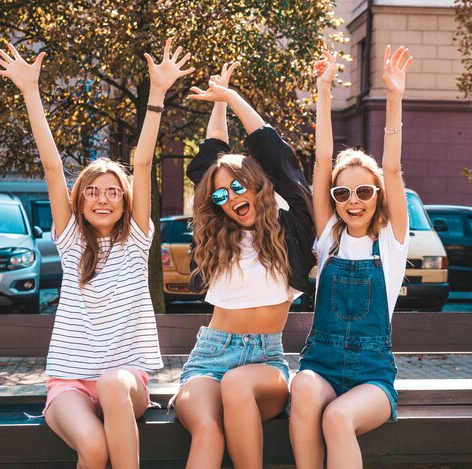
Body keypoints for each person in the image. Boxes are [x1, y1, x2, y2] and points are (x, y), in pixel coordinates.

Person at [0, 39, 194, 469]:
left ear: (124, 201)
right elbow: (50, 166)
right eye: (93, 192)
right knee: (95, 449)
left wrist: (156, 93)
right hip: (70, 386)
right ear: (80, 199)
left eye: (112, 192)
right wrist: (30, 90)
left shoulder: (137, 239)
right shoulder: (71, 242)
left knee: (113, 382)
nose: (103, 199)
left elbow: (141, 163)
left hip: (125, 385)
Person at [172, 63, 316, 469]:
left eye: (237, 186)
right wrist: (217, 106)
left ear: (256, 186)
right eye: (221, 195)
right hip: (209, 356)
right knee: (208, 430)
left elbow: (278, 158)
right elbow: (205, 169)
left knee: (237, 384)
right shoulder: (219, 233)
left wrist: (232, 98)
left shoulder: (293, 228)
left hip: (264, 361)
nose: (230, 197)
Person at [289, 46, 413, 469]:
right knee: (303, 389)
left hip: (372, 380)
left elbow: (392, 170)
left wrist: (394, 98)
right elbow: (323, 159)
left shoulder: (393, 243)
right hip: (320, 366)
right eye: (342, 193)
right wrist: (323, 92)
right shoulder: (329, 239)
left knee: (338, 417)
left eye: (364, 191)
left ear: (377, 195)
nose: (353, 200)